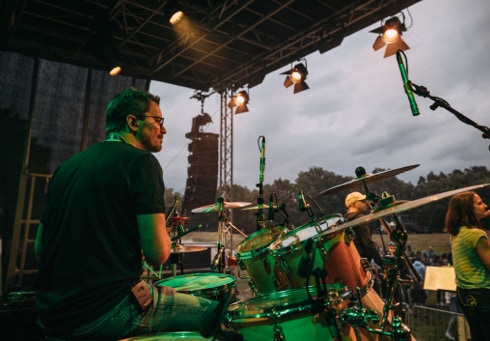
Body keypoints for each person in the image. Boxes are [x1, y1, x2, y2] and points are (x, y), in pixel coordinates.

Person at [34, 88, 238, 340]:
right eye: (158, 121)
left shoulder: (66, 169)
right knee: (220, 314)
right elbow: (158, 255)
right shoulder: (141, 163)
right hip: (105, 311)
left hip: (51, 316)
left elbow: (40, 249)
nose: (163, 130)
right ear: (133, 122)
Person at [445, 190, 490, 340]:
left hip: (465, 294)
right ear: (468, 210)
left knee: (478, 335)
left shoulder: (456, 233)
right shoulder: (477, 235)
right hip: (483, 292)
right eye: (479, 203)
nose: (485, 205)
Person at [344, 191, 384, 295]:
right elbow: (368, 245)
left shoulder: (343, 222)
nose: (365, 203)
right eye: (361, 201)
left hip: (349, 266)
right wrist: (382, 264)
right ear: (352, 205)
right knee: (375, 291)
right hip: (362, 266)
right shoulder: (361, 219)